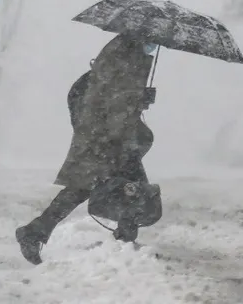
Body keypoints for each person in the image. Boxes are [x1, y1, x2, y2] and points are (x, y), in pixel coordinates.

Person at [15, 34, 157, 265]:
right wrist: (137, 98)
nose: (155, 45)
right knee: (129, 186)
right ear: (142, 35)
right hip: (107, 137)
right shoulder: (122, 55)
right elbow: (111, 99)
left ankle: (36, 231)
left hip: (109, 136)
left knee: (99, 187)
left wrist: (139, 99)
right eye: (153, 40)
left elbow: (116, 97)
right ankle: (124, 244)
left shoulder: (126, 53)